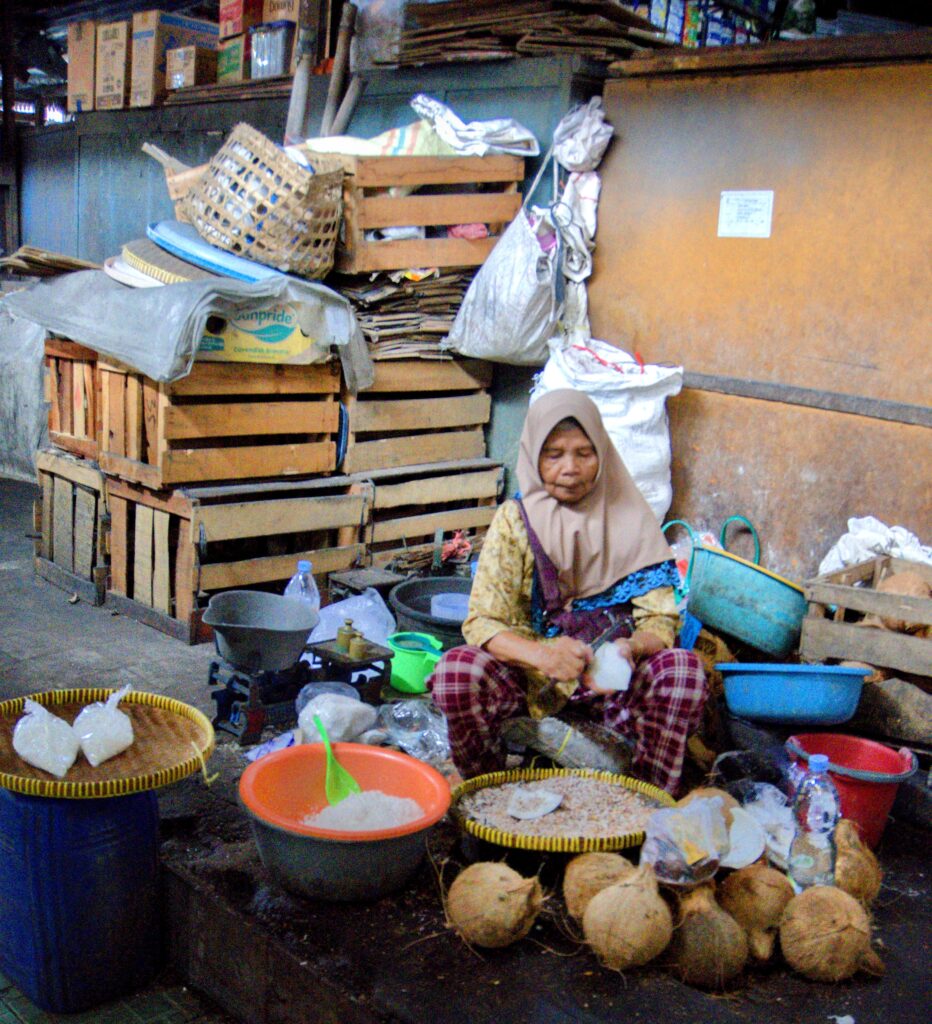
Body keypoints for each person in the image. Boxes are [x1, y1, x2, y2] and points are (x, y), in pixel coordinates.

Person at [428, 389, 707, 795]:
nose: (570, 468)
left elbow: (661, 622)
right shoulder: (515, 521)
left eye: (584, 453)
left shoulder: (631, 517)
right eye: (553, 454)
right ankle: (487, 795)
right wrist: (543, 656)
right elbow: (483, 622)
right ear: (533, 457)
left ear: (603, 453)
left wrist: (630, 649)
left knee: (683, 671)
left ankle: (647, 808)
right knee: (457, 672)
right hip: (528, 688)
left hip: (614, 692)